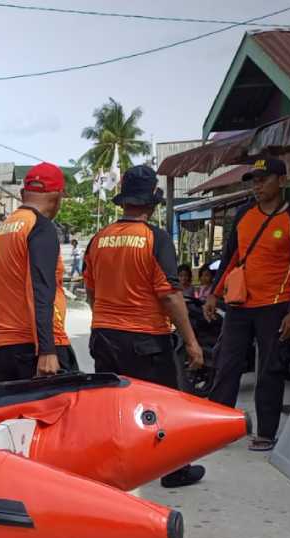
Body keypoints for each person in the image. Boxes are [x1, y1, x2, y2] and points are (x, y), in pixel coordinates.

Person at [84, 165, 206, 488]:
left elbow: (91, 290)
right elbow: (169, 297)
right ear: (152, 202)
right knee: (164, 404)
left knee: (113, 405)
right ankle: (173, 470)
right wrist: (192, 342)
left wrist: (105, 320)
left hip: (105, 337)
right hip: (147, 339)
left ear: (124, 201)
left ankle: (113, 470)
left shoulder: (99, 239)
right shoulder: (156, 239)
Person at [203, 157, 290, 452]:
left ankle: (265, 432)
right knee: (227, 365)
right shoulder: (242, 215)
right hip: (239, 304)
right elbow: (230, 259)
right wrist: (214, 293)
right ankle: (217, 428)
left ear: (282, 181)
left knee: (269, 370)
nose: (258, 185)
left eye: (264, 179)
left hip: (275, 306)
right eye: (254, 180)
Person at [0, 163, 79, 381]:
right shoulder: (40, 226)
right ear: (58, 197)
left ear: (22, 194)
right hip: (37, 348)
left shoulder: (4, 228)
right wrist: (47, 350)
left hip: (2, 350)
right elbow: (40, 288)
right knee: (69, 412)